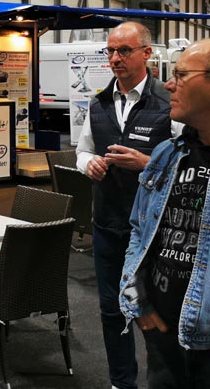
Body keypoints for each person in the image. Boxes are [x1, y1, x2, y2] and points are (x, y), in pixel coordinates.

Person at [75, 22, 181, 389]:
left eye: (124, 50)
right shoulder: (99, 102)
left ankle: (162, 381)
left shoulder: (168, 102)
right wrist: (88, 163)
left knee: (155, 312)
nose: (115, 58)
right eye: (110, 51)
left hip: (156, 231)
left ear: (147, 53)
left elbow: (187, 163)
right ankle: (121, 382)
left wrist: (147, 164)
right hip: (107, 224)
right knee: (111, 310)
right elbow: (83, 149)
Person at [120, 37, 210, 388]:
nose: (168, 84)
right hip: (163, 335)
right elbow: (139, 230)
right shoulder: (168, 154)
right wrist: (140, 303)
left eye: (180, 75)